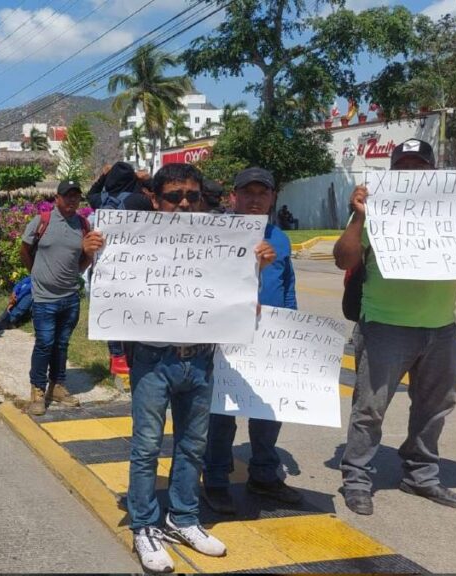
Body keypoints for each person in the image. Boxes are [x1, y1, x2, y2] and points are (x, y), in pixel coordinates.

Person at [126, 163, 276, 573]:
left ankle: (183, 518)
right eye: (174, 196)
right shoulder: (133, 239)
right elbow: (106, 289)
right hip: (154, 361)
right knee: (146, 448)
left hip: (202, 359)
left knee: (193, 446)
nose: (185, 203)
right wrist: (93, 253)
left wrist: (255, 266)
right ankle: (143, 525)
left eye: (193, 195)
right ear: (156, 200)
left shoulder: (220, 237)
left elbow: (235, 294)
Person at [334, 139, 456, 515]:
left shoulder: (453, 211)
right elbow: (343, 259)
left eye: (418, 166)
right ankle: (357, 478)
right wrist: (358, 216)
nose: (411, 172)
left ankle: (421, 476)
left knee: (435, 408)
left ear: (432, 171)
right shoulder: (374, 210)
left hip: (442, 327)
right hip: (384, 326)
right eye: (403, 166)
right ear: (392, 172)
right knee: (370, 409)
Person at [202, 168, 301, 515]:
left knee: (268, 410)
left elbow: (287, 287)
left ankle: (264, 474)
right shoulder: (217, 235)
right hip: (225, 339)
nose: (255, 199)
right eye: (248, 193)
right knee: (221, 413)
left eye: (263, 193)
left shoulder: (282, 238)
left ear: (272, 198)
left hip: (269, 338)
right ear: (234, 197)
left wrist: (289, 326)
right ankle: (215, 479)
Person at [19, 180, 102, 416]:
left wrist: (87, 253)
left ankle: (57, 386)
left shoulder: (83, 224)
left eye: (76, 197)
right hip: (44, 298)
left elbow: (82, 265)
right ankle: (37, 390)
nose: (72, 201)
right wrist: (35, 273)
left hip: (70, 298)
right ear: (57, 198)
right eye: (68, 197)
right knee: (45, 344)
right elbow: (24, 250)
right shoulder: (42, 221)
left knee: (62, 344)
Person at [88, 161, 152, 379]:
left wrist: (103, 177)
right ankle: (129, 354)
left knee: (110, 309)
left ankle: (116, 356)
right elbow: (158, 197)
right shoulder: (140, 201)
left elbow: (91, 193)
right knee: (131, 309)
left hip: (104, 265)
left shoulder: (99, 200)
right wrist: (145, 179)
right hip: (132, 266)